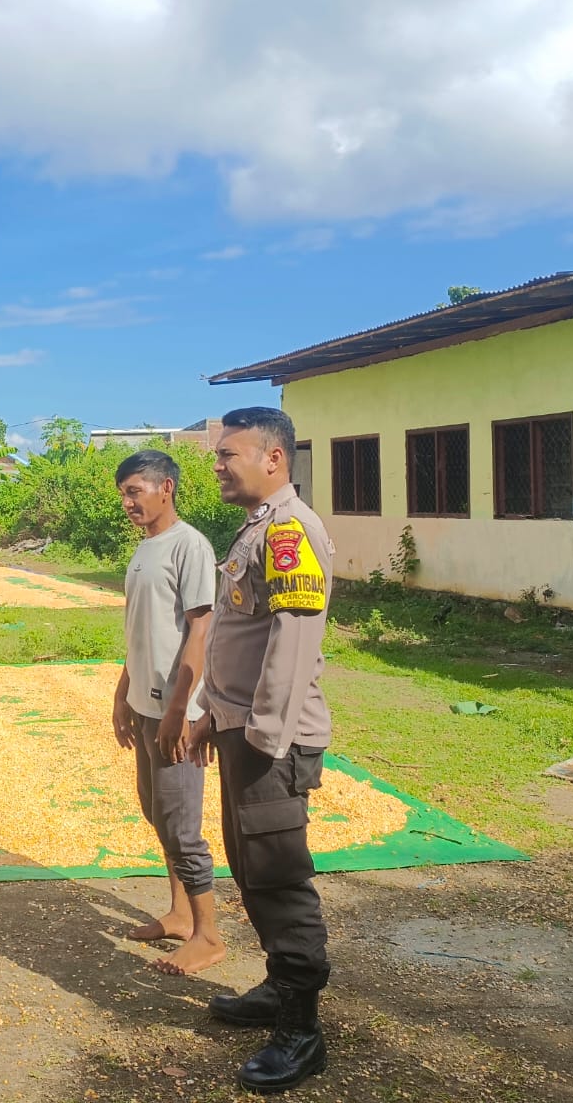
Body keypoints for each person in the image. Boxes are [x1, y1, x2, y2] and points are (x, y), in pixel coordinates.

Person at [188, 407, 333, 1094]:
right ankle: (279, 989)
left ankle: (301, 1030)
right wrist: (207, 715)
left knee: (277, 876)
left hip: (269, 739)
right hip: (240, 728)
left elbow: (291, 646)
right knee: (250, 867)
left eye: (228, 454)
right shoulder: (256, 528)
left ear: (273, 459)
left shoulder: (288, 531)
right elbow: (236, 638)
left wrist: (263, 742)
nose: (217, 465)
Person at [110, 448, 224, 977]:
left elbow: (200, 630)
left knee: (182, 826)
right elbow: (142, 632)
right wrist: (122, 694)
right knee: (156, 811)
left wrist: (180, 709)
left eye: (135, 491)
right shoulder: (145, 548)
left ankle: (209, 936)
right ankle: (179, 915)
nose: (128, 502)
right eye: (123, 494)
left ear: (166, 488)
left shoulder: (189, 545)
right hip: (145, 705)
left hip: (176, 710)